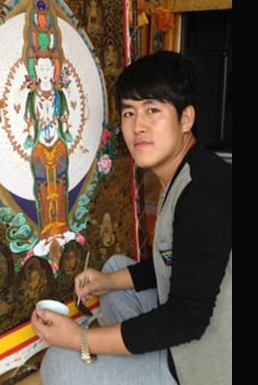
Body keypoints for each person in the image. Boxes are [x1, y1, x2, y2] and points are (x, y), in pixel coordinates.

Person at [31, 50, 233, 385]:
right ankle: (138, 359)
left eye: (153, 110)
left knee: (58, 363)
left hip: (205, 366)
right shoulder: (187, 171)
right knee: (113, 271)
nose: (138, 126)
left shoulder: (203, 191)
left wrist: (79, 339)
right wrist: (107, 282)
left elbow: (185, 321)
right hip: (188, 335)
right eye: (129, 112)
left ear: (186, 119)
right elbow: (178, 261)